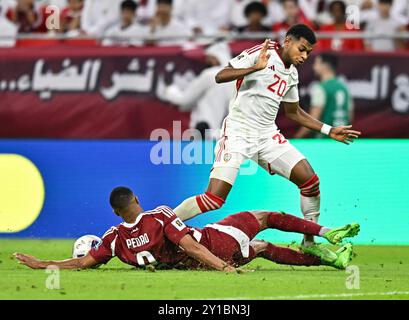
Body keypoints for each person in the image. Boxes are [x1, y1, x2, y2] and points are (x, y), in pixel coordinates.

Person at [173, 24, 361, 249]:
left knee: (310, 182)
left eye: (308, 53)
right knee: (214, 199)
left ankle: (309, 243)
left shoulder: (291, 73)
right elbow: (221, 76)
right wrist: (254, 68)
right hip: (238, 133)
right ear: (288, 41)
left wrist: (328, 130)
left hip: (267, 136)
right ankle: (162, 223)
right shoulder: (262, 53)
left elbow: (294, 111)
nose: (304, 56)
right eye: (301, 49)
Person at [14, 186, 360, 272]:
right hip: (214, 245)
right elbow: (192, 246)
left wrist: (44, 264)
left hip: (198, 262)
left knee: (262, 249)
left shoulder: (114, 239)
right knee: (266, 216)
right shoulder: (159, 215)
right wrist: (223, 266)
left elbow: (85, 262)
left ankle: (331, 261)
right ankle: (326, 233)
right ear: (135, 198)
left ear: (117, 212)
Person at [162, 41, 234, 139]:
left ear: (216, 57)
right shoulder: (236, 78)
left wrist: (169, 90)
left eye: (209, 58)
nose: (207, 62)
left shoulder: (210, 74)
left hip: (205, 135)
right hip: (226, 137)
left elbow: (183, 100)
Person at [294, 53, 353, 138]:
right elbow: (350, 116)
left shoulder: (321, 88)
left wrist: (296, 138)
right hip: (342, 139)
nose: (314, 67)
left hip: (324, 140)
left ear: (324, 66)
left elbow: (314, 119)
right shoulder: (344, 88)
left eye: (316, 63)